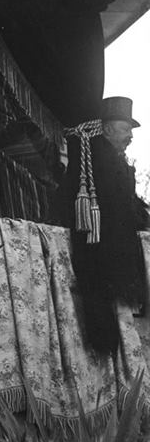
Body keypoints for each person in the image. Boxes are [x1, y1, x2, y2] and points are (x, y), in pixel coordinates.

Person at [62, 96, 148, 354]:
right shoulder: (94, 160)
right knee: (103, 299)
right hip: (102, 246)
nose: (130, 137)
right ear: (108, 129)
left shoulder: (117, 162)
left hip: (115, 245)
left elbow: (129, 203)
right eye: (125, 129)